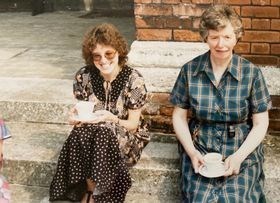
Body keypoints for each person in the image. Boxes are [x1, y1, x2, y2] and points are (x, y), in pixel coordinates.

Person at [170, 5, 272, 202]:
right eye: (214, 37)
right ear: (205, 37)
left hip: (241, 147)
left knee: (236, 198)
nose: (220, 44)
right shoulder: (189, 71)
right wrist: (192, 152)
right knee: (201, 199)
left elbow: (261, 123)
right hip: (202, 147)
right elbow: (179, 116)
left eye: (227, 37)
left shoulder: (251, 73)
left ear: (236, 37)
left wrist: (239, 157)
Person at [49, 23, 150, 203]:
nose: (103, 60)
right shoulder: (84, 76)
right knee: (79, 133)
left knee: (103, 132)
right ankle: (90, 191)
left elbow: (133, 126)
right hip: (93, 137)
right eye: (97, 56)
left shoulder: (134, 80)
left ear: (119, 52)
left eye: (108, 54)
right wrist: (75, 118)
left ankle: (95, 195)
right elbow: (83, 112)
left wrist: (112, 119)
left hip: (127, 139)